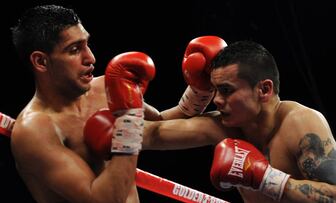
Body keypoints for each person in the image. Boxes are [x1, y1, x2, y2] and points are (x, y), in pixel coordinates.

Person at [9, 4, 227, 203]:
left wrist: (200, 91)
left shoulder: (104, 88)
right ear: (41, 61)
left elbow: (160, 124)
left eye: (87, 44)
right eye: (74, 50)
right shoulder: (35, 130)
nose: (91, 58)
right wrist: (129, 120)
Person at [142, 40, 336, 202]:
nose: (216, 100)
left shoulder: (299, 122)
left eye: (226, 90)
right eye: (214, 90)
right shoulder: (223, 126)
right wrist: (192, 101)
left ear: (264, 89)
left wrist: (266, 178)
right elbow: (150, 134)